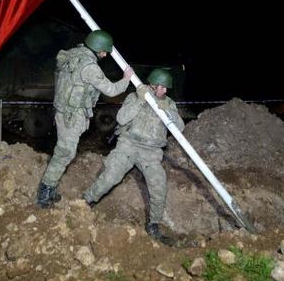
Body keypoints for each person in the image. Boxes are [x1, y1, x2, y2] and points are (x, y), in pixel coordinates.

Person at [83, 69, 182, 244]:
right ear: (153, 85)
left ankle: (153, 225)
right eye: (162, 87)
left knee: (159, 185)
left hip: (151, 152)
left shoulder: (169, 103)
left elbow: (179, 128)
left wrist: (168, 112)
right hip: (128, 145)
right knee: (110, 176)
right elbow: (121, 119)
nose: (165, 91)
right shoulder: (136, 96)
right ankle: (85, 203)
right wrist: (140, 100)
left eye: (167, 88)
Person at [36, 29, 134, 208]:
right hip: (72, 116)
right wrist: (126, 79)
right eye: (104, 51)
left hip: (62, 111)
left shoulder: (72, 54)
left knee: (63, 152)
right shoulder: (90, 67)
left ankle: (50, 187)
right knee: (64, 154)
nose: (105, 55)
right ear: (97, 48)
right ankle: (44, 193)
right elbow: (111, 90)